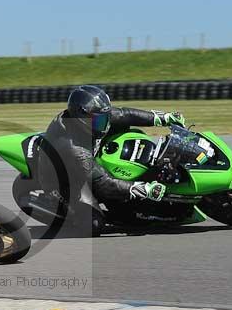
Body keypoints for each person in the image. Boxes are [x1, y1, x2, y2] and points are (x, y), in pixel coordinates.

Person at [37, 85, 186, 233]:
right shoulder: (74, 148)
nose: (105, 124)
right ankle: (70, 211)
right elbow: (102, 183)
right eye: (99, 121)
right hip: (68, 179)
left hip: (89, 157)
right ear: (81, 119)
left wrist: (162, 118)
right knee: (94, 225)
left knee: (124, 125)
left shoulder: (93, 116)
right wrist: (142, 189)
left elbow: (124, 114)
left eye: (105, 117)